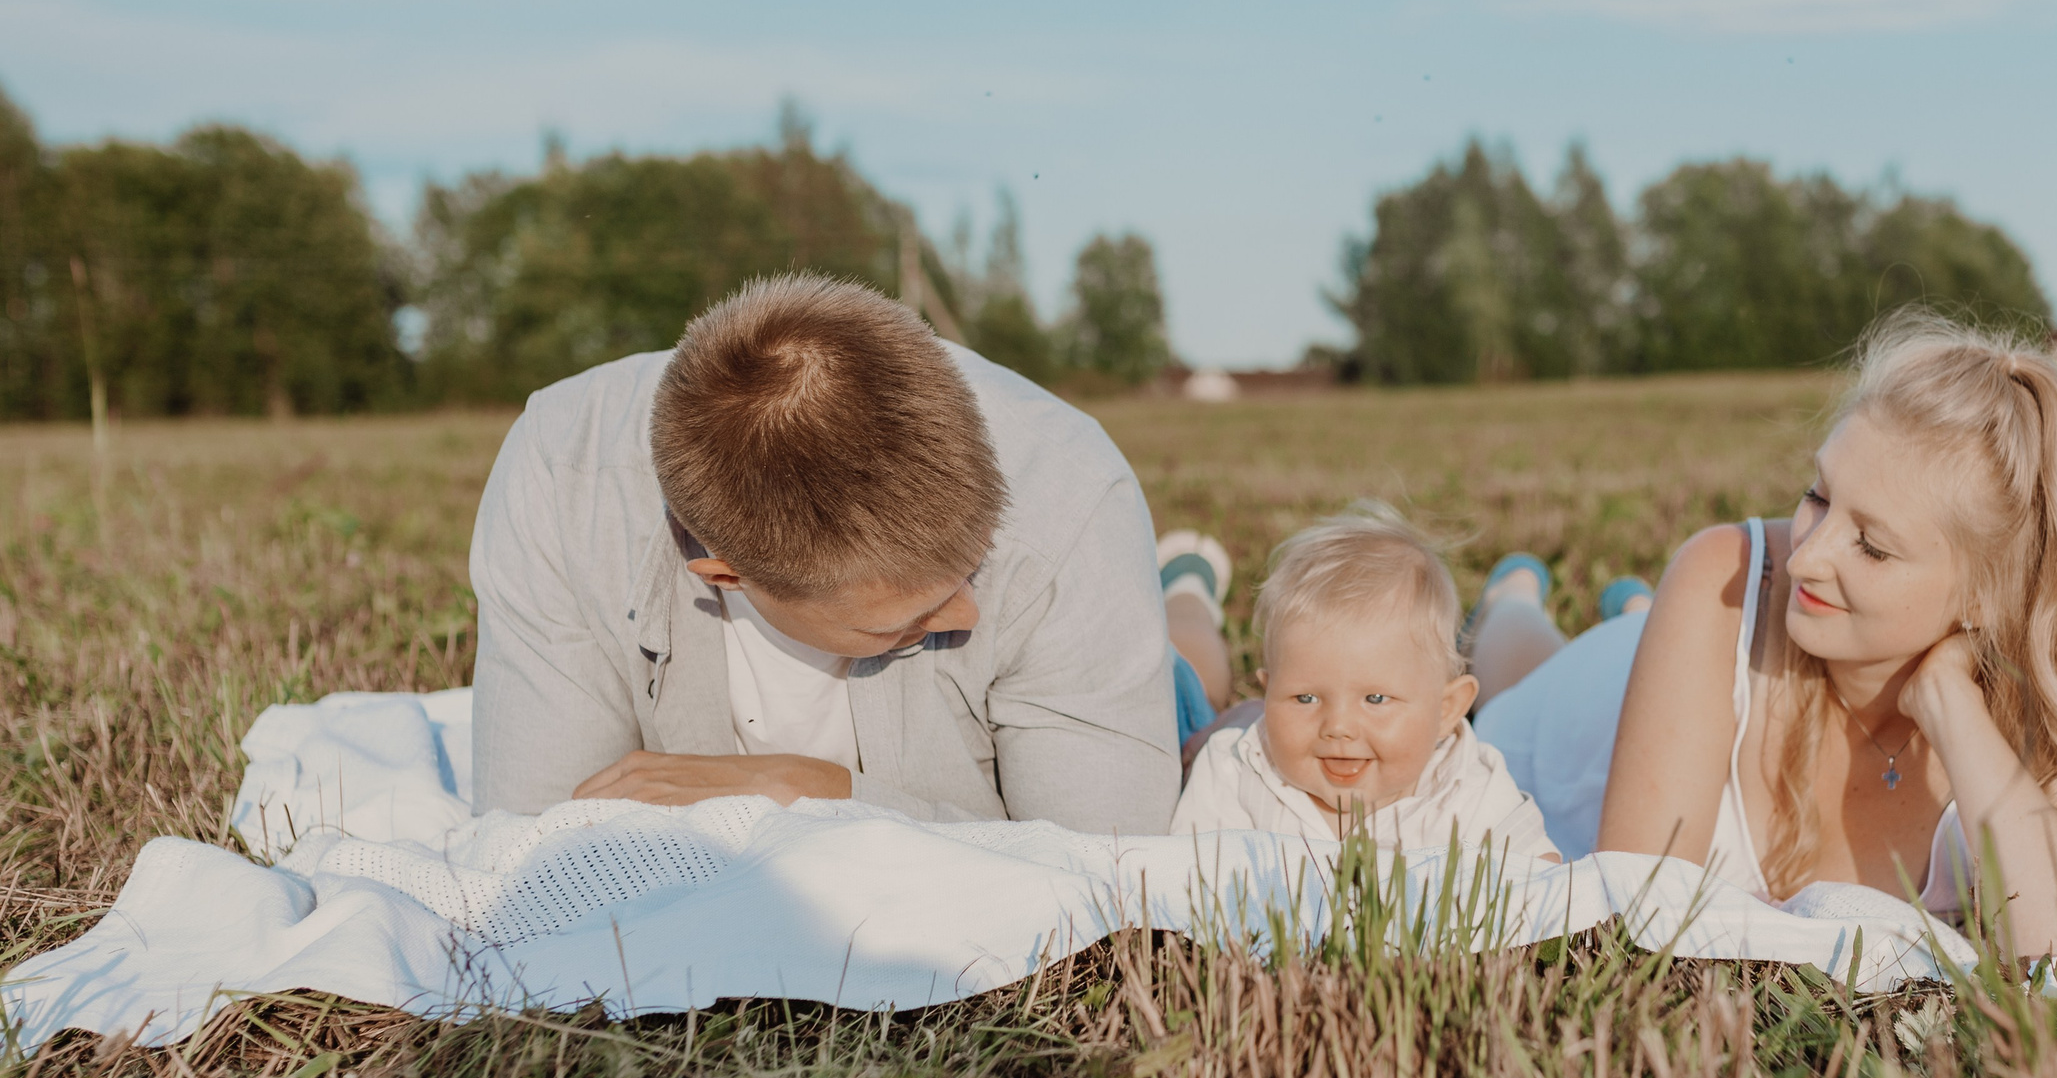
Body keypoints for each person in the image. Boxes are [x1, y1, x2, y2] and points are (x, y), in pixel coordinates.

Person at [1470, 311, 2057, 953]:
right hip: (1591, 704)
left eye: (1871, 545)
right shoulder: (1732, 569)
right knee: (1513, 663)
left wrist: (1950, 703)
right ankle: (1519, 592)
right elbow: (1637, 910)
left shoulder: (2020, 712)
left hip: (1698, 659)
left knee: (1649, 625)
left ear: (1987, 598)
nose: (1806, 555)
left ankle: (1634, 609)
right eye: (1818, 495)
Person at [468, 273, 1180, 831]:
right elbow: (543, 838)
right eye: (899, 618)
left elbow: (1101, 870)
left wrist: (808, 796)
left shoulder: (1075, 497)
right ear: (727, 576)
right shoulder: (562, 473)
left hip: (1116, 637)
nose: (968, 611)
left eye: (969, 566)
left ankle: (1186, 594)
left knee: (1191, 696)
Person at [1170, 507, 1561, 861]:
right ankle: (1185, 583)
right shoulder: (1234, 773)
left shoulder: (1469, 788)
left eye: (1375, 699)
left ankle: (1513, 591)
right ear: (1268, 693)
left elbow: (1547, 884)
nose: (1338, 726)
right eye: (1305, 697)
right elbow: (1181, 883)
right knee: (1179, 677)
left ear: (1446, 711)